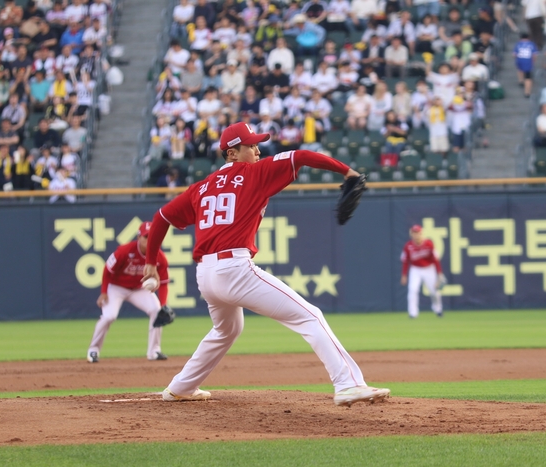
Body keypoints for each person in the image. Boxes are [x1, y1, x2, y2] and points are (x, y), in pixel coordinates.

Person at [141, 122, 391, 406]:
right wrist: (347, 172)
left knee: (226, 330)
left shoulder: (201, 187)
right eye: (251, 146)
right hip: (234, 269)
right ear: (232, 153)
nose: (258, 151)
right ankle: (349, 384)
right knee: (310, 316)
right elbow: (302, 156)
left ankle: (181, 387)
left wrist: (150, 262)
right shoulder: (254, 173)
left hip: (206, 275)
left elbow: (161, 217)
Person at [87, 221, 170, 363]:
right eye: (146, 237)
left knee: (157, 311)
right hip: (117, 287)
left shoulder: (160, 257)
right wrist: (104, 292)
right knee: (109, 316)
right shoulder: (124, 251)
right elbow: (107, 270)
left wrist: (163, 305)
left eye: (153, 236)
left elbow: (163, 283)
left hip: (139, 289)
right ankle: (93, 350)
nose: (149, 240)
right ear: (138, 237)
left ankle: (154, 351)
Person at [400, 224, 444, 319]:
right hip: (415, 269)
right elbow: (405, 261)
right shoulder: (408, 246)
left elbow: (436, 259)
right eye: (414, 233)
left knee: (434, 291)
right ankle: (413, 313)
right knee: (412, 290)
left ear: (421, 233)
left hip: (429, 268)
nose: (416, 235)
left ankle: (438, 309)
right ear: (411, 234)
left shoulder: (429, 243)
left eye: (418, 233)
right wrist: (404, 275)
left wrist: (439, 273)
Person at [514, 33, 537, 98]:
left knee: (520, 70)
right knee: (528, 77)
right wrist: (533, 62)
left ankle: (521, 81)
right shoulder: (531, 44)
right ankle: (527, 92)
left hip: (520, 60)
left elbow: (514, 54)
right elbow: (534, 55)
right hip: (528, 61)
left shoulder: (518, 44)